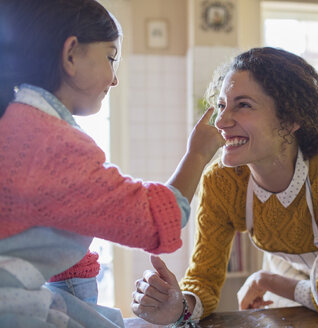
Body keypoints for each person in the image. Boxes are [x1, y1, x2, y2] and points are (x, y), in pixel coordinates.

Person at [0, 0, 222, 327]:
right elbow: (159, 216)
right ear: (71, 54)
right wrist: (198, 154)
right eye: (110, 57)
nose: (114, 79)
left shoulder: (17, 123)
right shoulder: (54, 144)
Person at [132, 47, 318, 326]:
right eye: (223, 105)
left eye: (244, 105)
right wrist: (180, 305)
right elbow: (203, 278)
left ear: (291, 119)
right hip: (279, 294)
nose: (221, 122)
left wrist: (267, 280)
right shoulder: (221, 183)